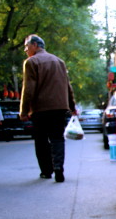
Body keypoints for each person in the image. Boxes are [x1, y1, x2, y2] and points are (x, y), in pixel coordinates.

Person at [20, 34, 77, 182]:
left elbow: (28, 89)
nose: (26, 50)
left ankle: (46, 171)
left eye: (27, 46)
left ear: (35, 45)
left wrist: (24, 111)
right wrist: (72, 106)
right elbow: (67, 86)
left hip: (40, 109)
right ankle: (58, 168)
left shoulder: (31, 62)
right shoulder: (59, 62)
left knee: (41, 140)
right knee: (57, 138)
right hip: (59, 108)